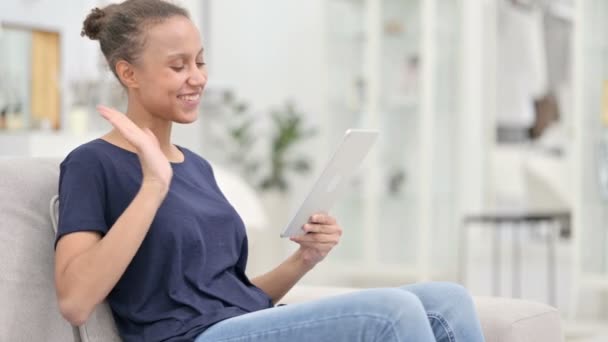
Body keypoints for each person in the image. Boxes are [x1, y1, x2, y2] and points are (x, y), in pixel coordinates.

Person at [54, 1, 486, 341]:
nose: (197, 78)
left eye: (200, 62)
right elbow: (75, 300)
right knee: (393, 312)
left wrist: (304, 259)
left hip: (240, 324)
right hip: (188, 337)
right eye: (178, 65)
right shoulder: (92, 164)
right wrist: (153, 185)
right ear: (129, 73)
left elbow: (234, 297)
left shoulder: (198, 168)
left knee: (447, 299)